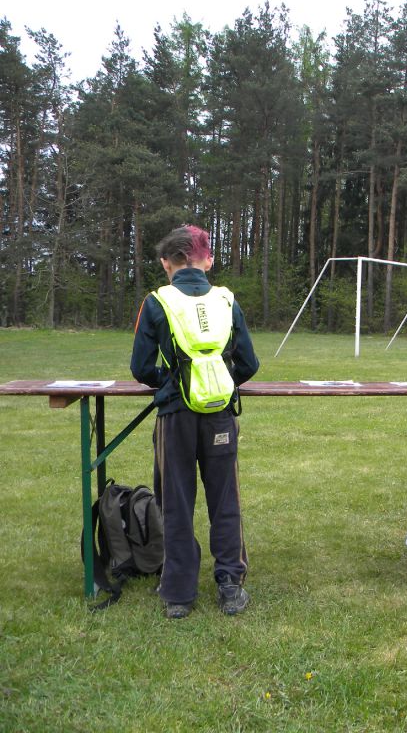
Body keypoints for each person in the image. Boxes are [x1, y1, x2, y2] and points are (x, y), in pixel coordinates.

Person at [130, 225, 260, 619]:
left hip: (176, 417)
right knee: (225, 500)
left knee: (176, 502)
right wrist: (218, 382)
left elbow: (141, 368)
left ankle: (178, 593)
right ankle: (230, 584)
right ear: (207, 261)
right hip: (220, 414)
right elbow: (249, 364)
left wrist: (173, 382)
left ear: (166, 263)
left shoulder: (156, 302)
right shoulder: (226, 300)